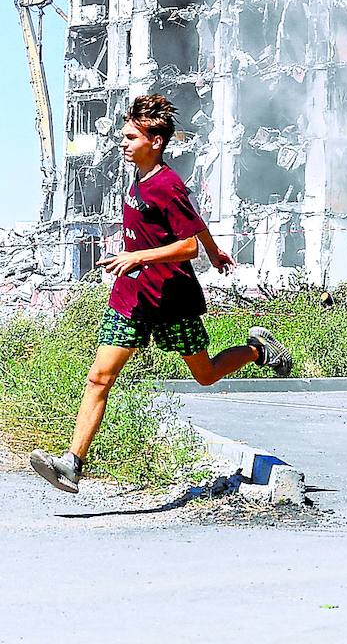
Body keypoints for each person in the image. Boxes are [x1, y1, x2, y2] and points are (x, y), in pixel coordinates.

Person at [30, 94, 292, 495]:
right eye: (123, 136)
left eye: (131, 137)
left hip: (172, 299)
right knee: (99, 377)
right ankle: (71, 464)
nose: (123, 143)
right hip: (132, 297)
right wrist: (214, 248)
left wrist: (143, 256)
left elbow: (185, 246)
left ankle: (258, 349)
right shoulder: (139, 175)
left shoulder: (166, 184)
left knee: (205, 375)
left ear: (155, 142)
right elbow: (194, 223)